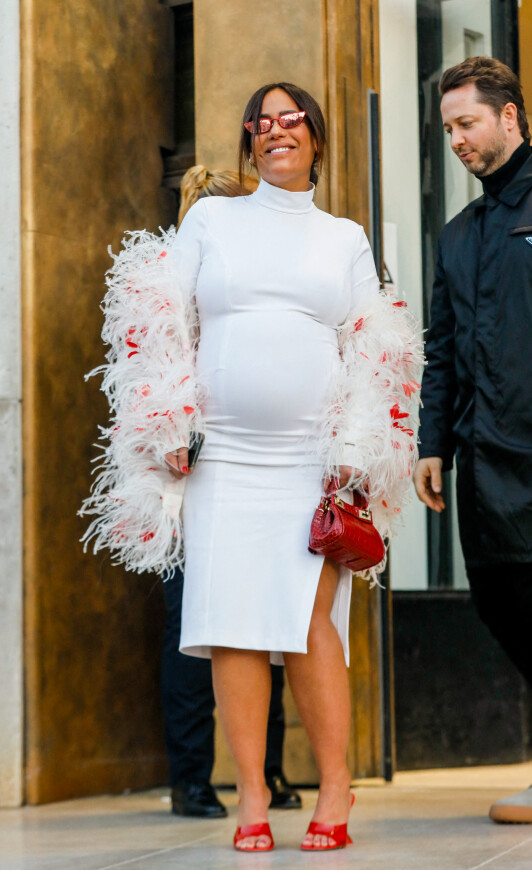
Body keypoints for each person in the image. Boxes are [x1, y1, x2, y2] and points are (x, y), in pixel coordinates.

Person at [82, 82, 422, 851]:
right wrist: (165, 414)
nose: (277, 132)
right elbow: (161, 316)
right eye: (262, 123)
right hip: (223, 461)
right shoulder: (212, 218)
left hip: (310, 463)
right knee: (231, 630)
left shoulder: (345, 238)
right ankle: (252, 794)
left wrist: (358, 451)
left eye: (291, 121)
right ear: (248, 141)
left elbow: (378, 347)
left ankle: (335, 784)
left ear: (316, 139)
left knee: (308, 625)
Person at [413, 56, 532, 824]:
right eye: (447, 128)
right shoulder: (458, 236)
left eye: (466, 123)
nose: (456, 140)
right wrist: (431, 441)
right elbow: (441, 349)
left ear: (508, 117)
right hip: (480, 454)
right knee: (495, 598)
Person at [162, 166, 301, 819]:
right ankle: (205, 778)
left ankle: (250, 775)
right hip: (188, 475)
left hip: (249, 469)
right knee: (202, 632)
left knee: (255, 626)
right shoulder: (178, 277)